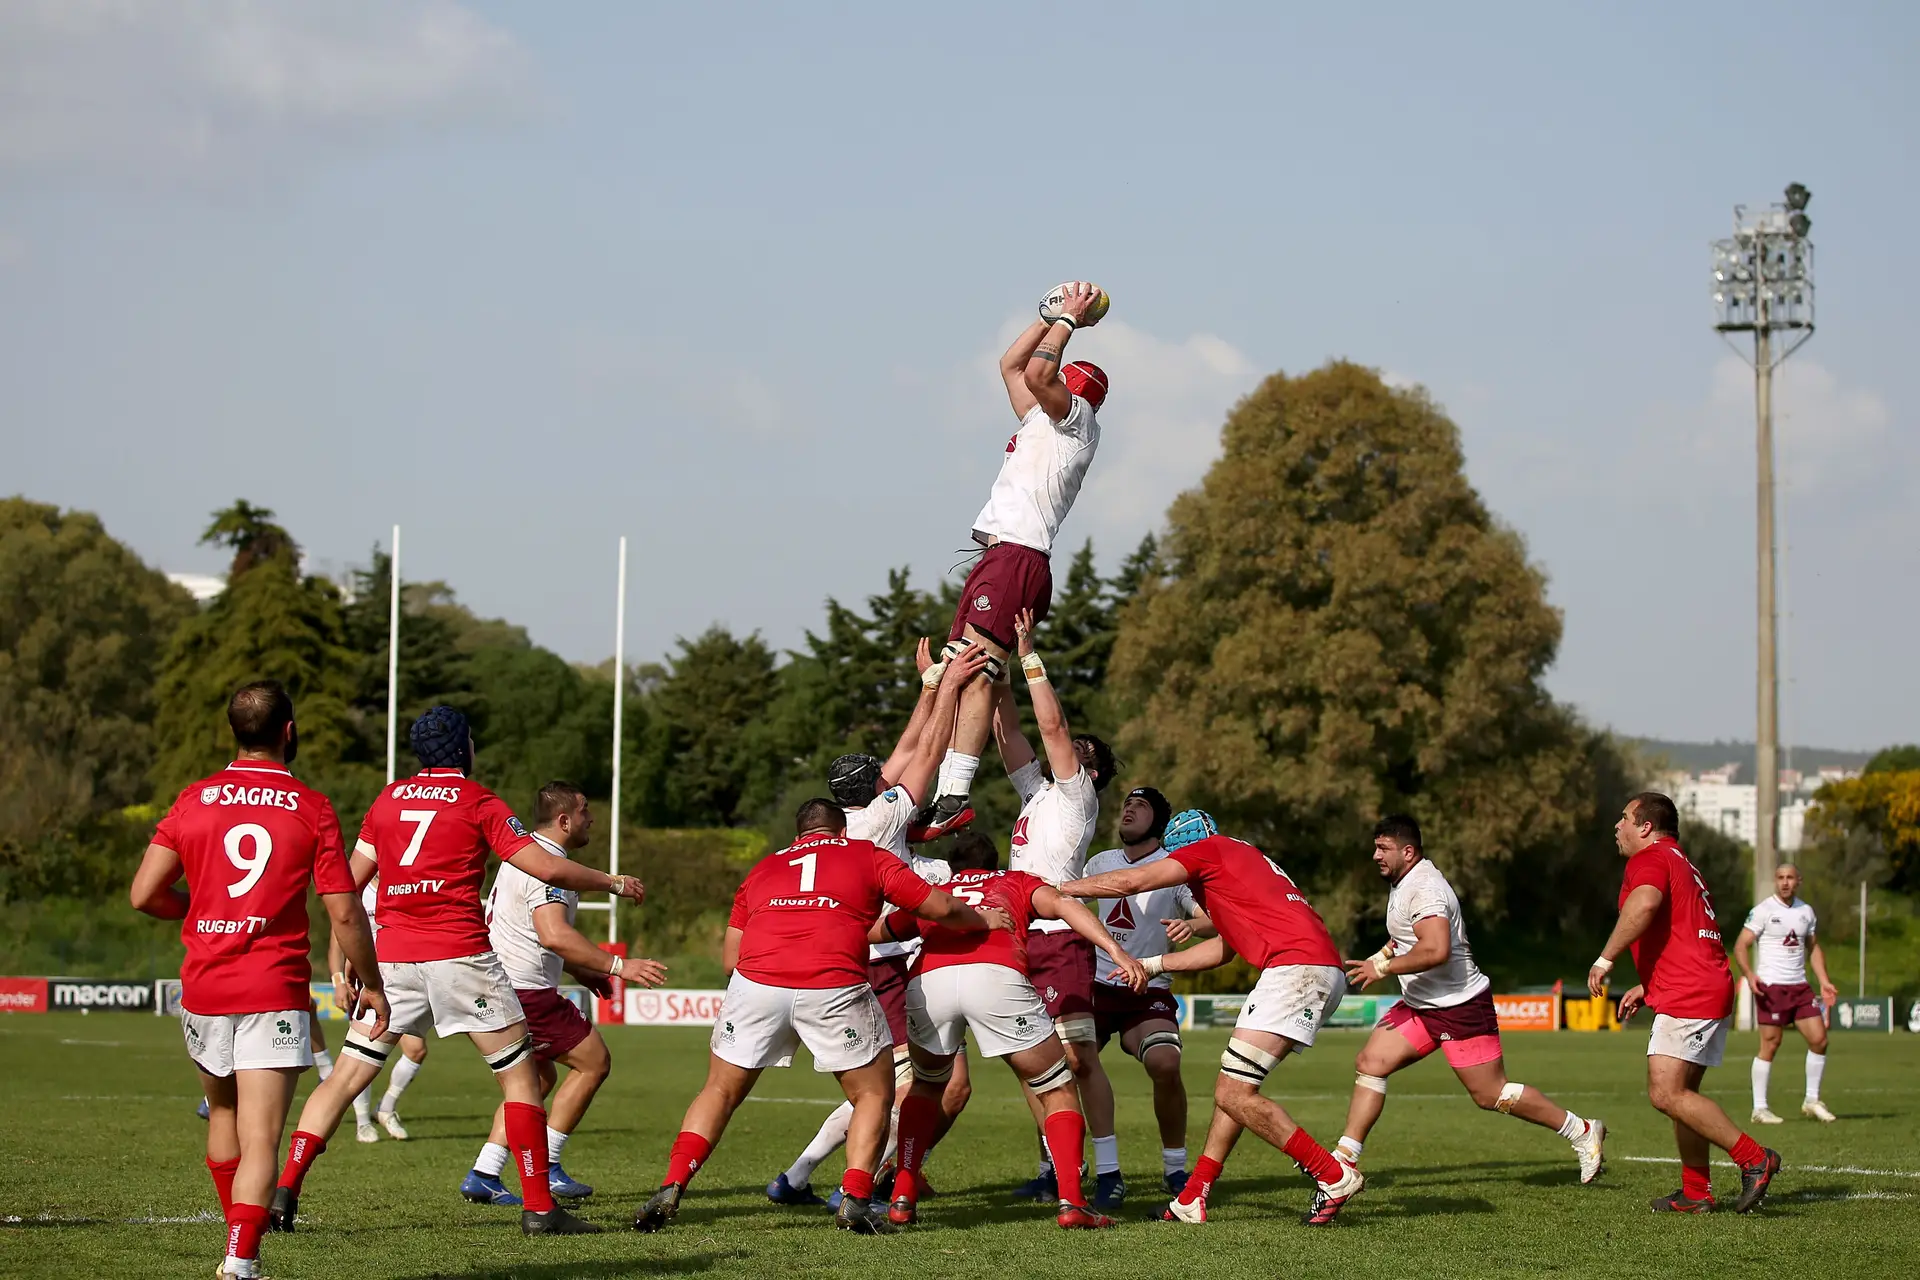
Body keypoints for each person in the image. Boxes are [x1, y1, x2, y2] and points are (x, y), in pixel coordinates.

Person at [270, 706, 644, 1237]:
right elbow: (545, 864)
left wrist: (349, 957)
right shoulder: (478, 801)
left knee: (349, 1075)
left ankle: (285, 1191)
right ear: (464, 748)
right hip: (460, 956)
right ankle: (539, 1207)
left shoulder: (387, 799)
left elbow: (346, 886)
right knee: (521, 1078)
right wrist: (612, 883)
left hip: (394, 958)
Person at [633, 800, 997, 1236]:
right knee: (873, 1095)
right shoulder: (866, 854)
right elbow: (937, 908)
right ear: (841, 832)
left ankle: (672, 1184)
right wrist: (981, 921)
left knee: (720, 1090)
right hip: (831, 980)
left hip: (756, 984)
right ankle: (856, 1199)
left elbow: (731, 960)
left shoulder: (763, 869)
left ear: (797, 835)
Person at [131, 680, 389, 1280]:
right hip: (271, 988)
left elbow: (144, 893)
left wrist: (195, 911)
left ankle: (237, 1248)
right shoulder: (311, 806)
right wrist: (370, 981)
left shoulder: (194, 799)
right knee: (262, 1137)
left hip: (203, 987)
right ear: (288, 732)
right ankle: (241, 1261)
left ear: (234, 732)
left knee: (222, 1117)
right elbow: (345, 910)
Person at [1058, 810, 1363, 1227]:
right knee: (1235, 1089)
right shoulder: (1239, 861)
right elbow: (1224, 949)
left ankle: (1332, 1174)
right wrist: (1151, 964)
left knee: (1233, 1095)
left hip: (1295, 969)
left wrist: (1058, 889)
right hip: (1314, 967)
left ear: (1182, 848)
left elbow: (1132, 881)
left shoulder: (1208, 852)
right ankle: (1194, 1194)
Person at [768, 643, 989, 1207]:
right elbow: (929, 749)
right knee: (915, 1087)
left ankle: (808, 1177)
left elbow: (906, 748)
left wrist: (931, 686)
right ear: (875, 787)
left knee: (891, 1085)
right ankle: (865, 1178)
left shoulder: (850, 821)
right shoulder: (888, 811)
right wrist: (948, 689)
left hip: (850, 959)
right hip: (886, 964)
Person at [912, 282, 1111, 840]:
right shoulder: (1040, 423)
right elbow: (1012, 366)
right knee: (969, 672)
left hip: (1017, 558)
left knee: (971, 671)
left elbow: (1041, 374)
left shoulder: (1075, 423)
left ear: (1076, 390)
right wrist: (1046, 314)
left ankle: (953, 794)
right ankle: (951, 791)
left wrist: (1067, 322)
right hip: (1003, 557)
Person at [1333, 815, 1606, 1216]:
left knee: (1490, 1094)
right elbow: (1406, 935)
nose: (1375, 854)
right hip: (1423, 1006)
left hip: (1460, 1006)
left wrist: (1384, 969)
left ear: (1408, 851)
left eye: (1383, 848)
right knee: (1371, 1062)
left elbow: (1436, 949)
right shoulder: (1404, 882)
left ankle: (1581, 1131)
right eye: (1376, 846)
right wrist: (1383, 955)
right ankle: (1345, 1160)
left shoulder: (1426, 889)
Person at [877, 837, 1150, 1229]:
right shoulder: (1016, 880)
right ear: (995, 864)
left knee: (925, 1087)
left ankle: (902, 1197)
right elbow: (1064, 905)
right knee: (1055, 1088)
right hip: (995, 976)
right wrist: (1117, 951)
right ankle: (1072, 1202)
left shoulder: (937, 892)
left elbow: (879, 931)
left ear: (954, 869)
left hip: (929, 981)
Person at [461, 781, 669, 1207]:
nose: (591, 818)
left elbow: (529, 933)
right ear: (563, 820)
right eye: (585, 810)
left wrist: (581, 970)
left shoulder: (524, 857)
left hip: (503, 984)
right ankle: (550, 1166)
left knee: (535, 1080)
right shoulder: (549, 864)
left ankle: (485, 1171)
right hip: (527, 992)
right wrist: (617, 965)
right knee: (594, 1062)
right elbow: (553, 934)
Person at [1588, 792, 1781, 1214]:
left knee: (1665, 1092)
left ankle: (1754, 1158)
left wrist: (1606, 958)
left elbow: (1645, 904)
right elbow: (1684, 929)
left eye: (1623, 818)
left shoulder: (1650, 858)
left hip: (1690, 989)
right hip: (1701, 982)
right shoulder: (1680, 860)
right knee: (1683, 1095)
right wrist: (1649, 985)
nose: (1616, 827)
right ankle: (1696, 1192)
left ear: (1645, 827)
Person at [987, 611, 1119, 1202]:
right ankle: (1055, 1168)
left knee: (1078, 1057)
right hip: (1020, 936)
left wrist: (1029, 653)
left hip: (1060, 935)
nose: (1061, 749)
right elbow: (1007, 734)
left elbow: (1052, 726)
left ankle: (1108, 1170)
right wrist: (995, 673)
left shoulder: (1077, 794)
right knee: (1033, 1059)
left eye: (1075, 750)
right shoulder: (1037, 792)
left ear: (1091, 771)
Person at [1081, 786, 1213, 1203]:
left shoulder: (1173, 867)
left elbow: (1209, 918)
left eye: (1140, 806)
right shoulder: (1100, 863)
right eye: (1126, 805)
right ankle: (1092, 1172)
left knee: (1165, 1061)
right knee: (1062, 1065)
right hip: (1096, 987)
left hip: (1147, 988)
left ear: (1157, 822)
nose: (1128, 810)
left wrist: (1193, 927)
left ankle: (1175, 1169)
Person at [1735, 862, 1839, 1124]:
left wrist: (1824, 981)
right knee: (1770, 1044)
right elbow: (1740, 946)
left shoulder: (1806, 912)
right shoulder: (1763, 911)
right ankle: (1759, 1108)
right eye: (1780, 877)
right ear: (1775, 880)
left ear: (1798, 881)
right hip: (1772, 986)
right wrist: (1749, 974)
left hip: (1800, 987)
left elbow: (1813, 949)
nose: (1785, 882)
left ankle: (1811, 1100)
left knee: (1820, 1040)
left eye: (1790, 877)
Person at [330, 878, 430, 1144]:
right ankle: (363, 1122)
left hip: (398, 980)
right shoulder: (358, 891)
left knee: (417, 1050)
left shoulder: (401, 887)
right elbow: (337, 941)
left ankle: (385, 1108)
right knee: (364, 1055)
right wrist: (338, 981)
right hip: (366, 982)